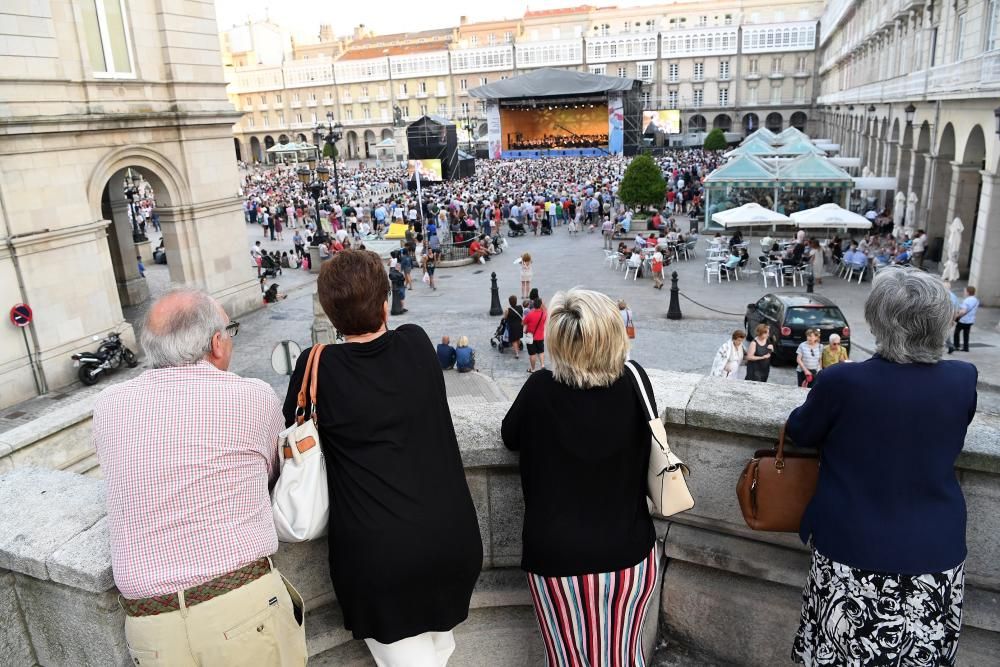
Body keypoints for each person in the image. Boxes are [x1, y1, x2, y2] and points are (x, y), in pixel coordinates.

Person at [281, 250, 482, 666]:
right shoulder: (417, 343)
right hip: (452, 540)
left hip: (381, 556)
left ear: (330, 312)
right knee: (439, 650)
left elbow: (292, 432)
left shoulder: (318, 366)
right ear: (386, 303)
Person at [92, 289, 307, 665]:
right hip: (240, 610)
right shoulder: (253, 397)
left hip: (150, 629)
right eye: (230, 332)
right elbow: (271, 473)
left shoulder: (108, 406)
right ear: (216, 344)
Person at [787, 268, 976, 667]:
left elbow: (802, 431)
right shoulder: (963, 379)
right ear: (940, 322)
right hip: (934, 550)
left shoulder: (843, 381)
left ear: (877, 320)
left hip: (852, 546)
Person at [501, 289, 657, 667]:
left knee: (566, 658)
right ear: (612, 336)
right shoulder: (635, 382)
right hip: (630, 552)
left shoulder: (539, 391)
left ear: (558, 341)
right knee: (624, 655)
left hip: (557, 556)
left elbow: (510, 436)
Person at [950, 286, 979, 353]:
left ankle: (956, 346)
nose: (964, 292)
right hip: (970, 320)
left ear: (968, 292)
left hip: (963, 320)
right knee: (966, 334)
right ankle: (966, 347)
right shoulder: (976, 300)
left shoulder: (967, 300)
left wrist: (956, 316)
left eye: (965, 291)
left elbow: (963, 311)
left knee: (956, 333)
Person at [522, 296, 546, 373]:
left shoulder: (530, 314)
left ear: (533, 305)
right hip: (540, 337)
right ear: (540, 305)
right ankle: (542, 366)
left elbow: (523, 323)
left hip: (530, 337)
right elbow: (546, 311)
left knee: (532, 354)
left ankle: (533, 369)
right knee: (541, 351)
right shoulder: (544, 314)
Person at [504, 295, 524, 359]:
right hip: (520, 326)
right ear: (516, 301)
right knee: (518, 338)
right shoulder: (520, 307)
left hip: (512, 327)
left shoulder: (508, 310)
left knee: (514, 340)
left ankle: (517, 354)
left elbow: (505, 317)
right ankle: (518, 347)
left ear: (509, 302)